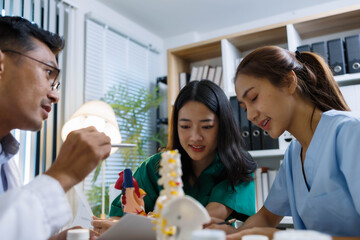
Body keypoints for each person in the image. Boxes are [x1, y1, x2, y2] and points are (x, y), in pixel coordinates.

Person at [216, 45, 360, 239]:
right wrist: (231, 235)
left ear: (289, 81)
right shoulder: (293, 154)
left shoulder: (350, 132)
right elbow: (266, 218)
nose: (250, 115)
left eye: (254, 97)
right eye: (244, 107)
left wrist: (279, 237)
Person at [92, 80, 257, 234]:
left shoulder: (237, 167)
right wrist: (106, 225)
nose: (195, 137)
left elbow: (200, 222)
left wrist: (136, 225)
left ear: (223, 126)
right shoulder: (155, 166)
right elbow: (121, 217)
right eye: (185, 126)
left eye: (206, 126)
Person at [0, 16, 111, 239]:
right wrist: (63, 174)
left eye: (56, 83)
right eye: (47, 72)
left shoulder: (7, 157)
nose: (55, 95)